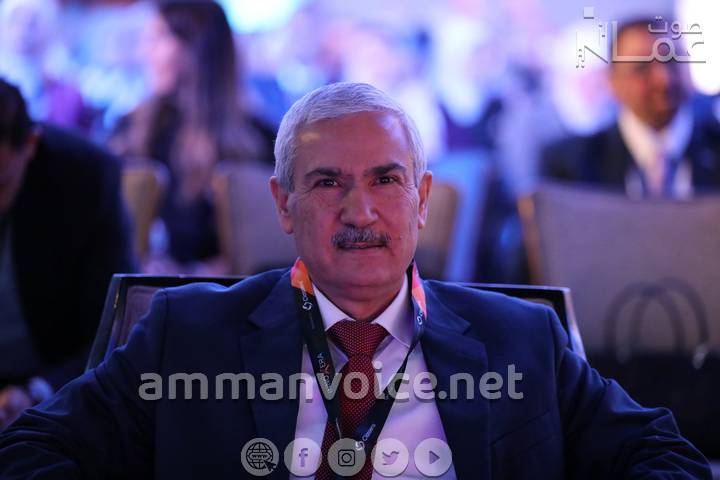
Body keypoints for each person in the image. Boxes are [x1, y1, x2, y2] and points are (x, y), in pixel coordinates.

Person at [0, 82, 710, 478]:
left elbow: (664, 458)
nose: (360, 211)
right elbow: (29, 451)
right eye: (327, 182)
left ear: (422, 200)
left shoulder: (520, 340)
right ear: (284, 204)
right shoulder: (189, 336)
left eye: (385, 181)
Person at [0, 78, 135, 430]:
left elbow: (114, 324)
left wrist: (37, 390)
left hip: (50, 393)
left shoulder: (85, 179)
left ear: (31, 144)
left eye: (0, 184)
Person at [110, 0, 274, 274]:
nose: (145, 51)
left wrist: (197, 274)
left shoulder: (260, 141)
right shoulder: (129, 129)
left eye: (159, 37)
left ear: (198, 48)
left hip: (224, 291)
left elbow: (267, 249)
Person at [542, 18, 720, 198]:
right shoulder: (570, 166)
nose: (663, 79)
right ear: (612, 81)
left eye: (672, 60)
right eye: (642, 68)